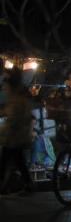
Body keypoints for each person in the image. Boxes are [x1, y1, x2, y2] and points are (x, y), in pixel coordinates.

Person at [0, 67, 35, 195]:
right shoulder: (17, 96)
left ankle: (4, 187)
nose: (5, 89)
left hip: (15, 137)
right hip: (15, 137)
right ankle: (25, 185)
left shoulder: (18, 98)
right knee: (17, 161)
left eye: (6, 86)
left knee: (6, 161)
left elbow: (14, 118)